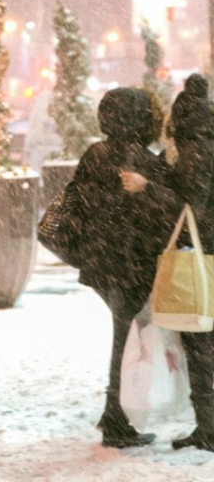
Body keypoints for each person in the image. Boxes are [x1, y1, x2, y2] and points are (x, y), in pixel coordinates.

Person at [66, 86, 180, 448]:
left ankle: (114, 415)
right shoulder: (143, 159)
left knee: (123, 336)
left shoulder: (94, 153)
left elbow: (78, 202)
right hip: (131, 264)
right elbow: (166, 213)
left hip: (103, 262)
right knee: (127, 340)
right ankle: (117, 420)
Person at [126, 73, 214, 450]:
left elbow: (189, 207)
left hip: (201, 255)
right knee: (202, 342)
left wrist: (148, 187)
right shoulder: (201, 146)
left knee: (200, 343)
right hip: (206, 251)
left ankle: (209, 429)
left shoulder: (195, 151)